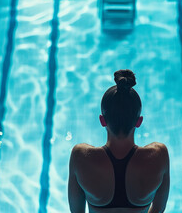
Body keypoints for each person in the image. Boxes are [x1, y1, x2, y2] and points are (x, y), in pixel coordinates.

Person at [68, 69, 170, 213]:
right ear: (139, 121)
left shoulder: (81, 156)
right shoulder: (159, 155)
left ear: (102, 120)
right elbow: (158, 210)